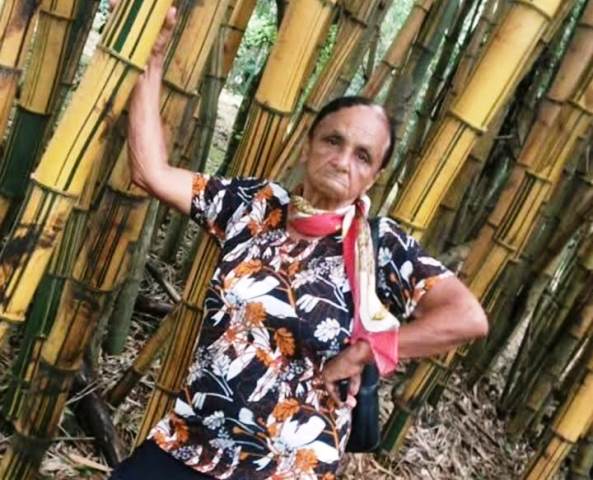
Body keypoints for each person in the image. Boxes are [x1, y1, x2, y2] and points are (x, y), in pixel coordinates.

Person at [110, 8, 488, 480]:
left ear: (373, 176)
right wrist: (152, 60)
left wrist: (369, 350)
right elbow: (151, 171)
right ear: (309, 145)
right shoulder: (254, 206)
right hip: (193, 443)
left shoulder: (381, 247)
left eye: (363, 156)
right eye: (333, 141)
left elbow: (467, 318)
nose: (342, 160)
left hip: (289, 467)